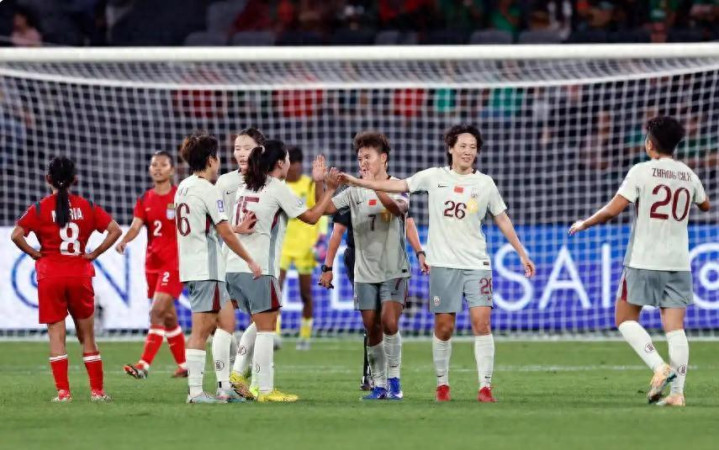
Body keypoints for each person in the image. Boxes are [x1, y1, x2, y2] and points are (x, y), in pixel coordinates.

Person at [339, 124, 536, 402]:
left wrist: (522, 253)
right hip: (442, 264)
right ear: (451, 148)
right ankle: (442, 385)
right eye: (463, 146)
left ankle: (485, 387)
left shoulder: (485, 184)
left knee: (482, 323)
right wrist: (359, 182)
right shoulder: (433, 177)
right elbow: (399, 185)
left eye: (473, 147)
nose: (468, 151)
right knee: (444, 327)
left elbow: (501, 217)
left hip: (477, 262)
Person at [570, 116, 710, 407]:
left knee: (624, 319)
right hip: (678, 262)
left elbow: (613, 210)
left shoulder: (641, 171)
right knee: (675, 328)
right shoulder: (688, 174)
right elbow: (705, 204)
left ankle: (659, 367)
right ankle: (677, 394)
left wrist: (585, 223)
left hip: (644, 259)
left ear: (649, 144)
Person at [226, 140, 339, 402]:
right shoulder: (277, 188)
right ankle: (264, 389)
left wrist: (317, 184)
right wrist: (331, 189)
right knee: (267, 328)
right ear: (280, 163)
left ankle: (240, 375)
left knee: (262, 321)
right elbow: (312, 217)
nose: (289, 163)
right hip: (258, 266)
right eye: (286, 159)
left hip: (233, 266)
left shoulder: (246, 185)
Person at [11, 156, 122, 402]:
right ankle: (97, 392)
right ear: (75, 180)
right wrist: (95, 253)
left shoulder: (39, 208)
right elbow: (115, 230)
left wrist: (34, 254)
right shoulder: (87, 206)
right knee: (87, 337)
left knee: (56, 336)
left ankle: (63, 393)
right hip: (79, 274)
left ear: (47, 179)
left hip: (50, 275)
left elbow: (16, 234)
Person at [319, 151, 426, 393]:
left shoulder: (398, 186)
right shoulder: (353, 192)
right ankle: (378, 384)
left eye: (368, 157)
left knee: (389, 322)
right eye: (360, 159)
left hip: (393, 268)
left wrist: (420, 252)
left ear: (384, 158)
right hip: (364, 270)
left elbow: (398, 210)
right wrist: (324, 186)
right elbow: (324, 210)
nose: (363, 163)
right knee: (371, 327)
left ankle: (394, 381)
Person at [175, 131, 261, 404]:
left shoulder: (184, 186)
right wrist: (250, 259)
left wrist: (236, 228)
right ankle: (195, 392)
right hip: (206, 269)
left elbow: (205, 225)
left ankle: (225, 387)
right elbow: (224, 233)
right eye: (218, 157)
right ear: (211, 160)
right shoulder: (208, 190)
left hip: (195, 265)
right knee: (201, 331)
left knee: (227, 322)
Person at [116, 151, 187, 379]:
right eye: (154, 164)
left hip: (174, 263)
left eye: (163, 165)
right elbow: (136, 226)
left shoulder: (180, 197)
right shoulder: (145, 199)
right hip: (152, 264)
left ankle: (143, 365)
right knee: (168, 317)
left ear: (172, 170)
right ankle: (185, 365)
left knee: (156, 312)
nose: (157, 168)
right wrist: (125, 240)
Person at [278, 146, 327, 351]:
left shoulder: (309, 184)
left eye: (298, 165)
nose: (295, 169)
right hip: (282, 245)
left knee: (305, 293)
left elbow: (320, 208)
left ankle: (305, 335)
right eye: (292, 165)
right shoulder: (278, 185)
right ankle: (274, 334)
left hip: (306, 246)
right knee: (275, 291)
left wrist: (322, 236)